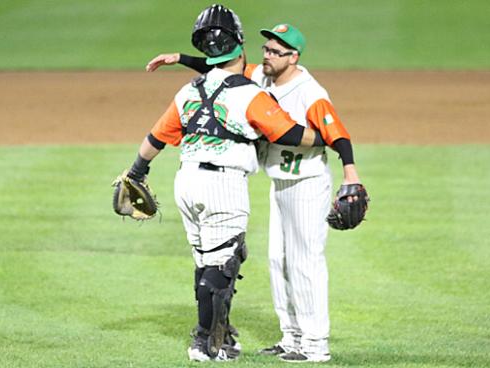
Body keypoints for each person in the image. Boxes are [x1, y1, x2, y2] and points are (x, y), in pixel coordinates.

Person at [146, 22, 365, 363]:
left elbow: (338, 133)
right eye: (265, 49)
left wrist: (351, 173)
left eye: (276, 52)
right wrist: (180, 58)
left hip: (307, 184)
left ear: (293, 58)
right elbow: (218, 65)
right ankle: (291, 338)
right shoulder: (261, 77)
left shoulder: (311, 92)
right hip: (281, 184)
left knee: (305, 263)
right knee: (279, 262)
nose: (267, 55)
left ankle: (315, 345)